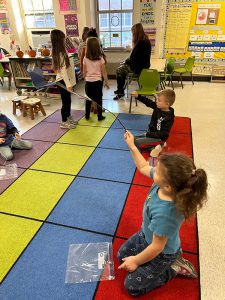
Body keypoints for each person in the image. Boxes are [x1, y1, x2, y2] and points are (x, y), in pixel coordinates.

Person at [118, 133, 208, 296]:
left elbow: (157, 247)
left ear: (169, 187)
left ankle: (172, 268)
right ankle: (162, 260)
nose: (153, 169)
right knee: (121, 256)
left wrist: (136, 261)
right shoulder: (164, 185)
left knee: (132, 287)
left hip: (161, 253)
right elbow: (143, 167)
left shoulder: (166, 214)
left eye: (157, 171)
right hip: (145, 236)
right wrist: (132, 145)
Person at [114, 23, 151, 100]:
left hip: (139, 67)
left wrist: (126, 62)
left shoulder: (141, 42)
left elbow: (135, 59)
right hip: (144, 65)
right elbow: (135, 57)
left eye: (133, 33)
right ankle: (120, 90)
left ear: (136, 32)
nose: (132, 34)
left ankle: (120, 92)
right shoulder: (145, 40)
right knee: (122, 69)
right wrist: (126, 61)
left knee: (119, 70)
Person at [133, 89, 175, 155]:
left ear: (167, 104)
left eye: (159, 100)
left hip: (159, 137)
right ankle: (157, 145)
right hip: (152, 133)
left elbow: (163, 134)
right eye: (157, 99)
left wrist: (148, 134)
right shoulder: (157, 107)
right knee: (133, 139)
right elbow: (148, 102)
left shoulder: (169, 118)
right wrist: (138, 96)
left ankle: (157, 146)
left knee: (135, 142)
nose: (156, 101)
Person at [51, 29, 77, 129]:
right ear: (58, 40)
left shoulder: (61, 51)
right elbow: (62, 71)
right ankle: (63, 121)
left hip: (64, 80)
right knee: (65, 102)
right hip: (61, 81)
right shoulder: (59, 53)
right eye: (63, 39)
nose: (64, 40)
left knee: (68, 100)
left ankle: (68, 117)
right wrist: (68, 85)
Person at [83, 37, 109, 121]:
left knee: (88, 99)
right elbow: (104, 72)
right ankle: (100, 116)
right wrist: (106, 82)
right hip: (98, 82)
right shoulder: (100, 59)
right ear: (98, 47)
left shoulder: (85, 58)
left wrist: (85, 78)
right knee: (99, 99)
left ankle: (87, 115)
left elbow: (84, 71)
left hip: (88, 82)